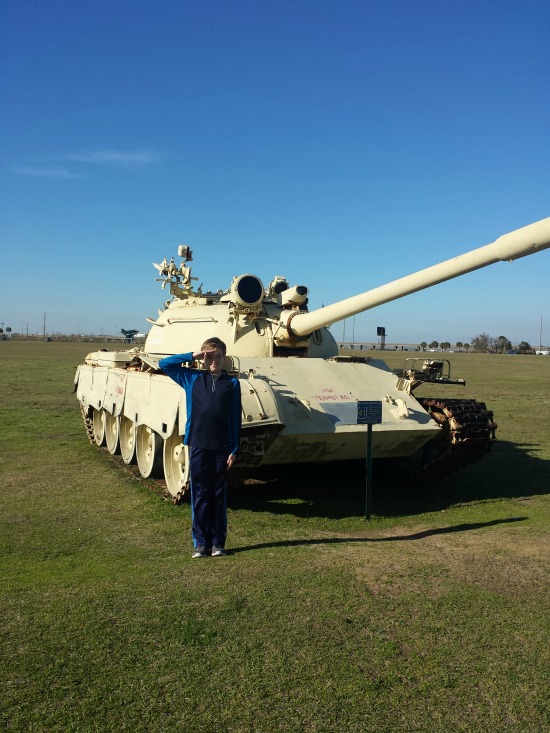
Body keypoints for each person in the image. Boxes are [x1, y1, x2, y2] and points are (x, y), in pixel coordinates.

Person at [159, 337, 241, 558]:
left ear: (225, 358)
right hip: (198, 444)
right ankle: (200, 543)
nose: (214, 360)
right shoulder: (191, 378)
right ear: (203, 359)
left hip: (222, 447)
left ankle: (217, 543)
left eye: (218, 356)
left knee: (217, 495)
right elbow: (164, 365)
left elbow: (235, 418)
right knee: (200, 494)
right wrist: (192, 356)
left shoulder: (232, 383)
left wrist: (234, 449)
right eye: (209, 356)